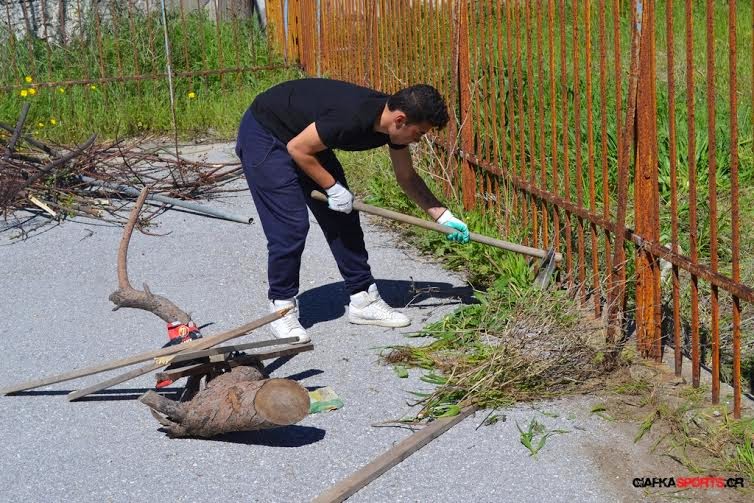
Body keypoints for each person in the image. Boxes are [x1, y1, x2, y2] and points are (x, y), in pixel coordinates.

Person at [235, 78, 470, 344]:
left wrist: (443, 215)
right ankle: (281, 309)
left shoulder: (391, 124)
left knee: (343, 218)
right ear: (401, 120)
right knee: (290, 227)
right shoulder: (352, 116)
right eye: (419, 134)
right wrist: (332, 187)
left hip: (304, 136)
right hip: (266, 134)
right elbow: (297, 149)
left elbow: (406, 176)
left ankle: (363, 300)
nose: (418, 140)